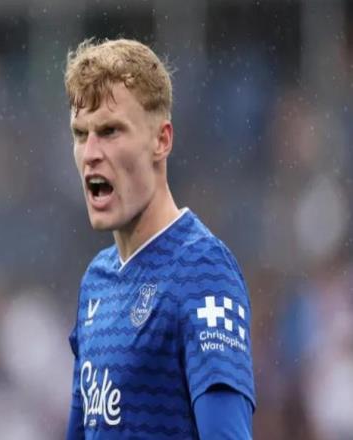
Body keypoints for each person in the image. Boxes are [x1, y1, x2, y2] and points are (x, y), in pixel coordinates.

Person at [64, 38, 256, 440]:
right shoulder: (96, 282)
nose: (91, 152)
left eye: (110, 130)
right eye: (81, 134)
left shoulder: (202, 270)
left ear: (161, 140)